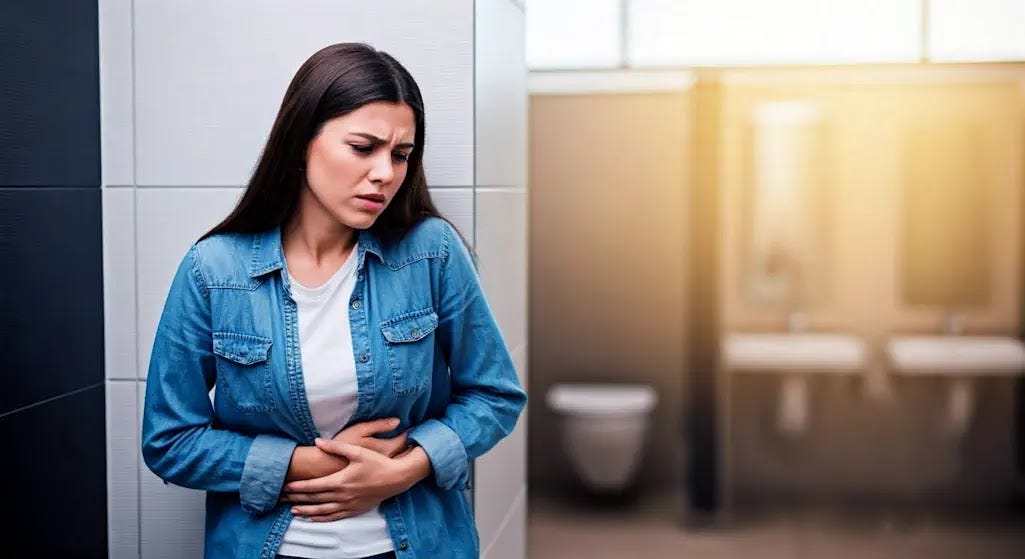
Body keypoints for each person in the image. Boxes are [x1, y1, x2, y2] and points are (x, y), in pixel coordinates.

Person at [141, 42, 527, 559]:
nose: (386, 173)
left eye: (401, 155)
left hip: (418, 545)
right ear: (302, 143)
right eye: (363, 148)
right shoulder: (213, 270)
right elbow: (170, 440)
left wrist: (402, 470)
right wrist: (303, 463)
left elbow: (495, 396)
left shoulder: (430, 252)